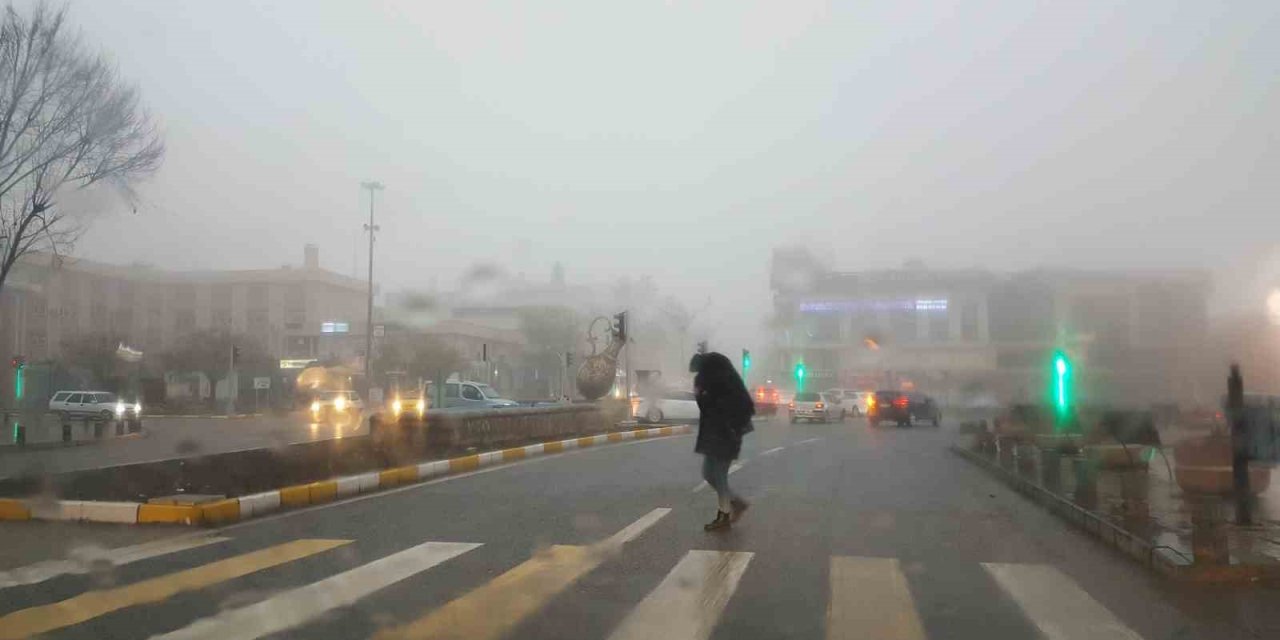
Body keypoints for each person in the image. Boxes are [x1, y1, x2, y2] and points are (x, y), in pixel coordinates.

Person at [690, 351, 756, 531]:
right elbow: (707, 410)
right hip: (716, 435)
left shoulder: (721, 385)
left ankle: (724, 515)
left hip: (726, 436)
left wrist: (701, 393)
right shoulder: (718, 382)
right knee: (709, 474)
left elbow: (716, 409)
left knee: (718, 475)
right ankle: (736, 503)